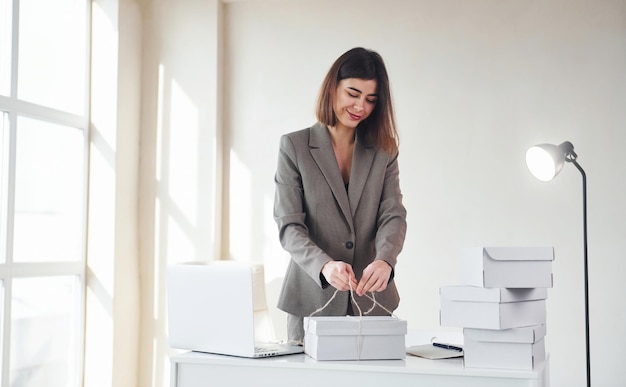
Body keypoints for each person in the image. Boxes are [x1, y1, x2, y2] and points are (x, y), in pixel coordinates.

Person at [273, 47, 407, 343]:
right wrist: (324, 265)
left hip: (372, 302)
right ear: (332, 88)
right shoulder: (294, 146)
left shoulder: (385, 150)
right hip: (311, 299)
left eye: (371, 99)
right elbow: (289, 225)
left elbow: (393, 214)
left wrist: (385, 260)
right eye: (353, 93)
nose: (361, 106)